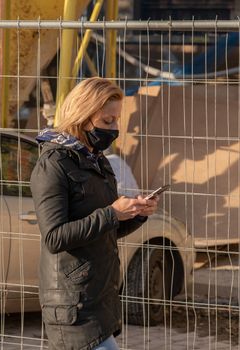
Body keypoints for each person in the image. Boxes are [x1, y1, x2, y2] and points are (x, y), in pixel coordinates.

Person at [30, 77, 158, 350]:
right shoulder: (54, 164)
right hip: (72, 303)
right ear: (82, 116)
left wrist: (136, 213)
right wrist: (112, 213)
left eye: (116, 120)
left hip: (99, 296)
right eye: (107, 121)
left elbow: (106, 228)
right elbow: (54, 237)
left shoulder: (97, 161)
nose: (115, 129)